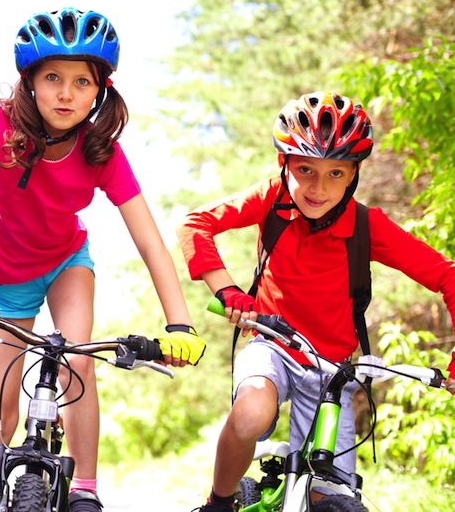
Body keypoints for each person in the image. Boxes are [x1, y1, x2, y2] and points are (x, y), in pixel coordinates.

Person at [0, 7, 207, 512]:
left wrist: (179, 323)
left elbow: (150, 239)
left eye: (81, 82)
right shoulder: (0, 124)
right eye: (52, 78)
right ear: (29, 81)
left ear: (100, 91)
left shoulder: (101, 150)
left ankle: (86, 489)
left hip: (67, 261)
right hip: (5, 275)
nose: (66, 93)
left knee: (77, 360)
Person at [177, 91, 455, 511]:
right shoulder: (272, 199)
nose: (318, 188)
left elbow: (445, 275)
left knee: (333, 494)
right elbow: (195, 223)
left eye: (335, 174)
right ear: (283, 165)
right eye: (305, 169)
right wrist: (228, 290)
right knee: (251, 412)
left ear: (353, 175)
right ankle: (218, 501)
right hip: (273, 344)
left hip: (332, 370)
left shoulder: (366, 225)